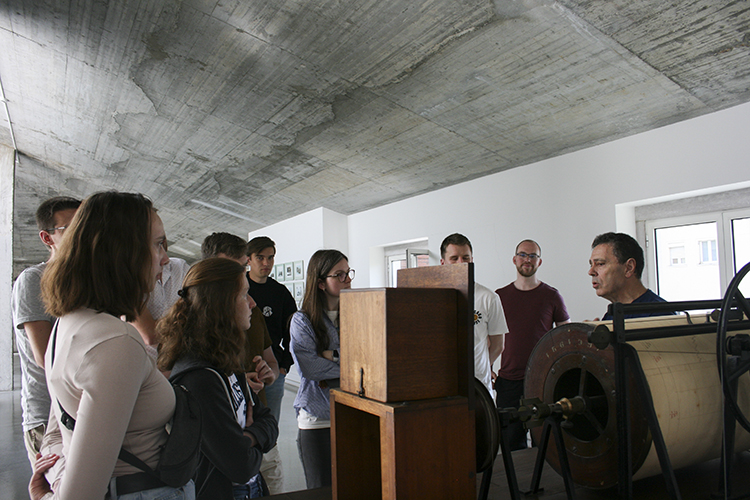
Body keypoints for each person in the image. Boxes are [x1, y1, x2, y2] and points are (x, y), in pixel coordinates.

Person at [30, 191, 194, 499]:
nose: (165, 258)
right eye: (158, 243)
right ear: (123, 252)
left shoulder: (69, 323)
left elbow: (61, 432)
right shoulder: (115, 341)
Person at [158, 258, 279, 500]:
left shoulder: (225, 363)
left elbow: (269, 422)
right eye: (245, 295)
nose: (253, 303)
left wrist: (249, 436)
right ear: (220, 305)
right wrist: (253, 437)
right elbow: (240, 464)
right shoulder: (199, 378)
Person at [201, 232, 283, 494]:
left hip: (258, 430)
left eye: (242, 267)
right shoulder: (194, 342)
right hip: (222, 459)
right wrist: (236, 384)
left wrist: (265, 375)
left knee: (272, 482)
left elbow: (270, 363)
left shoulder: (252, 310)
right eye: (232, 268)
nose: (242, 275)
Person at [12, 196, 80, 468]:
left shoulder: (88, 282)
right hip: (47, 416)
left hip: (81, 411)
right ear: (47, 237)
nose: (81, 235)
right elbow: (44, 358)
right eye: (70, 228)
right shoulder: (33, 280)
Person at [495, 239, 570, 450]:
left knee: (545, 442)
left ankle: (542, 483)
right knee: (510, 443)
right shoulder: (499, 297)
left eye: (532, 256)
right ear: (514, 259)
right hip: (509, 382)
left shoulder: (552, 296)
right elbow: (486, 337)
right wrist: (488, 366)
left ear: (539, 262)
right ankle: (516, 484)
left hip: (542, 380)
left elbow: (564, 336)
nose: (527, 259)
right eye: (523, 255)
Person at [290, 249, 351, 489]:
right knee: (321, 490)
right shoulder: (302, 320)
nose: (347, 280)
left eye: (348, 273)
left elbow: (372, 359)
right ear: (321, 283)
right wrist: (352, 361)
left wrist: (331, 355)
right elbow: (311, 369)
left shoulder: (358, 315)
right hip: (317, 420)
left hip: (352, 415)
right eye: (339, 275)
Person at [440, 233, 508, 399]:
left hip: (479, 388)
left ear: (472, 260)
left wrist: (479, 367)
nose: (461, 263)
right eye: (454, 258)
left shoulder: (488, 298)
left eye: (466, 257)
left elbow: (498, 345)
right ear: (443, 263)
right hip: (443, 387)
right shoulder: (434, 297)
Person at [246, 236, 297, 422]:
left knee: (270, 425)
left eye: (271, 257)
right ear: (248, 259)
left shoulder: (280, 293)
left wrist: (284, 365)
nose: (266, 263)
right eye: (260, 257)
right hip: (244, 369)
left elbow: (293, 332)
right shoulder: (239, 288)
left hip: (273, 371)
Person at [589, 232, 673, 320]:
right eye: (591, 265)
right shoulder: (612, 315)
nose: (591, 272)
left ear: (629, 268)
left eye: (600, 264)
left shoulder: (659, 315)